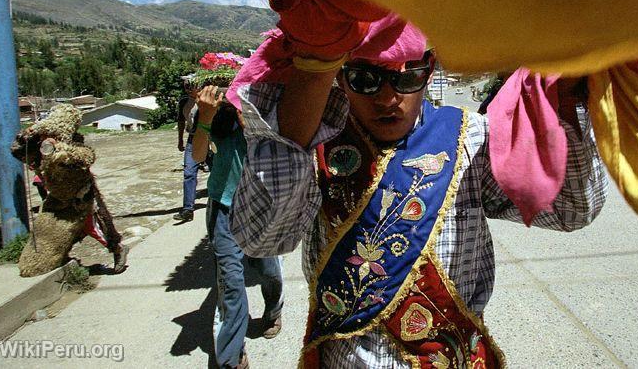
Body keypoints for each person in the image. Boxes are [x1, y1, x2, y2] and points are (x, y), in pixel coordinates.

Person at [230, 43, 608, 367]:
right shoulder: (313, 143)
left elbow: (569, 210)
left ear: (430, 72)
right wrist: (293, 126)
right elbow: (260, 241)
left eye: (408, 77)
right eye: (366, 78)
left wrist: (567, 103)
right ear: (341, 77)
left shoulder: (469, 136)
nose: (388, 97)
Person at [192, 85, 284, 369]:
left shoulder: (259, 108)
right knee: (230, 283)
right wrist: (206, 115)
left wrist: (245, 114)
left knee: (268, 271)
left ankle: (272, 310)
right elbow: (197, 156)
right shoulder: (209, 113)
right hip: (223, 206)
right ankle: (232, 355)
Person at [175, 81, 200, 222]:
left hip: (209, 139)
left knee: (217, 170)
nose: (189, 89)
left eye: (192, 86)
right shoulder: (184, 102)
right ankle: (188, 209)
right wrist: (180, 140)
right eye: (186, 87)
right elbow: (181, 121)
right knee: (189, 172)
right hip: (192, 139)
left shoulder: (205, 98)